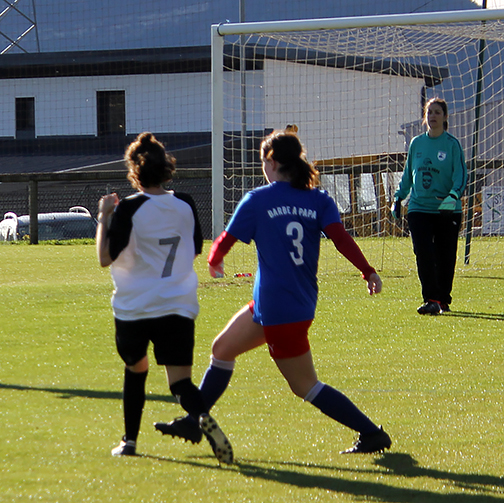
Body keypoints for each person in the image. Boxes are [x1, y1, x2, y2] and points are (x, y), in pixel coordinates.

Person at [154, 130, 392, 454]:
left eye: (263, 162)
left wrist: (214, 260)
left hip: (280, 312)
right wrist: (368, 271)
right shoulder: (318, 199)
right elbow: (341, 239)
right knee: (222, 348)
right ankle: (194, 420)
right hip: (284, 304)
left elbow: (225, 239)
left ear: (272, 161)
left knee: (305, 386)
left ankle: (371, 433)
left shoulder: (259, 199)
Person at [97, 132, 233, 463]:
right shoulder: (185, 202)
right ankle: (203, 419)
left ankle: (129, 442)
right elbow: (196, 248)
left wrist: (104, 217)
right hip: (177, 304)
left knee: (136, 368)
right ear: (166, 168)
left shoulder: (129, 208)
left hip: (135, 306)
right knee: (181, 383)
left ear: (134, 170)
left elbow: (104, 257)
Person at [392, 98, 467, 315]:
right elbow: (408, 176)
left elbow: (460, 176)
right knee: (423, 253)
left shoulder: (452, 144)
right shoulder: (416, 143)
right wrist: (398, 198)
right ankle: (431, 300)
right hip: (419, 208)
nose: (432, 116)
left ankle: (443, 299)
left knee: (445, 256)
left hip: (447, 210)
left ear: (445, 117)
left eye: (437, 112)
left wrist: (453, 195)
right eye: (429, 112)